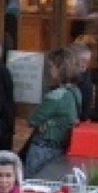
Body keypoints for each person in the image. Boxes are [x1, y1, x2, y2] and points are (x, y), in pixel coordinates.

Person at [22, 48, 81, 177]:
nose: (49, 70)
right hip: (61, 147)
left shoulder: (56, 96)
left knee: (33, 184)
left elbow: (32, 119)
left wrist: (45, 122)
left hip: (44, 147)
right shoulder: (75, 92)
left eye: (52, 66)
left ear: (60, 68)